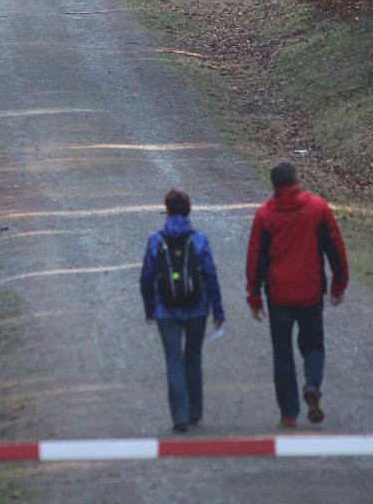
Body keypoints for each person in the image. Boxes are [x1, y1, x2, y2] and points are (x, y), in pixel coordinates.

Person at [246, 160, 349, 427]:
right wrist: (339, 283)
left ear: (274, 185)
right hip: (310, 291)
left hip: (279, 293)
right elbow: (335, 248)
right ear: (297, 181)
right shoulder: (318, 209)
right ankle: (312, 385)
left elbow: (256, 258)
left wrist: (254, 295)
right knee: (313, 345)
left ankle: (289, 413)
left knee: (282, 352)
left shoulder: (265, 216)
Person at [140, 189, 225, 433]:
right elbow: (210, 276)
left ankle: (179, 416)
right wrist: (217, 311)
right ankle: (195, 411)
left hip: (166, 312)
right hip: (197, 309)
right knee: (193, 357)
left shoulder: (155, 240)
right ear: (189, 210)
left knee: (174, 361)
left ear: (166, 210)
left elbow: (146, 278)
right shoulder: (199, 240)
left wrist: (150, 309)